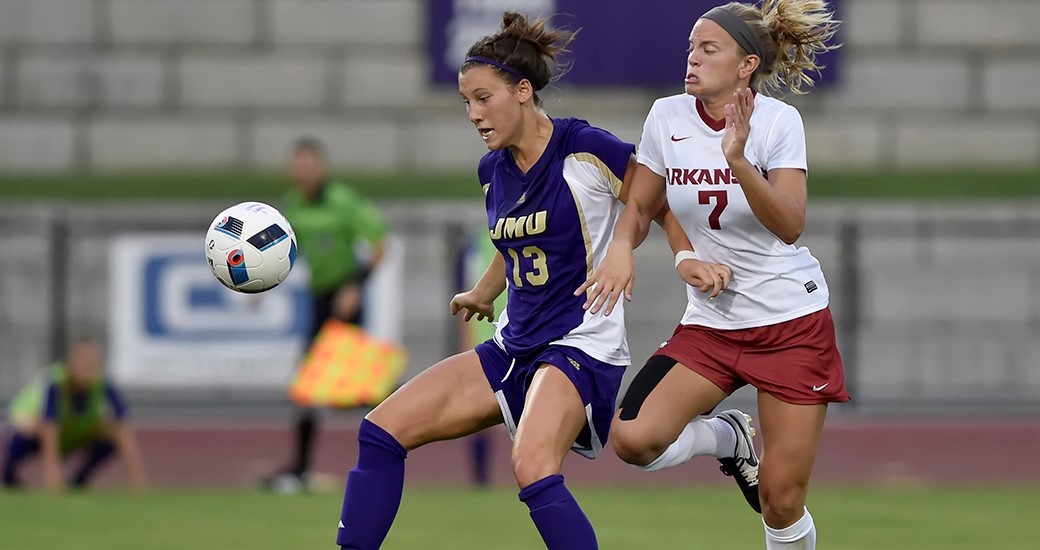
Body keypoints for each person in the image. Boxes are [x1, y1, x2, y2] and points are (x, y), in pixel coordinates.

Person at [334, 12, 729, 550]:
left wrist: (670, 256)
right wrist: (484, 290)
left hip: (580, 344)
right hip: (514, 346)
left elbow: (657, 202)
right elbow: (516, 243)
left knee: (532, 464)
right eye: (466, 102)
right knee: (380, 432)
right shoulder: (491, 170)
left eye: (483, 98)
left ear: (523, 91)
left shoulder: (584, 148)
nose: (473, 114)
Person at [576, 1, 846, 548]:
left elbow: (791, 225)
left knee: (781, 498)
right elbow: (641, 206)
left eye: (708, 48)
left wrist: (740, 161)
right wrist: (625, 248)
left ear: (746, 66)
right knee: (632, 438)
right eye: (691, 47)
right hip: (712, 325)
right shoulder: (666, 116)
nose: (692, 58)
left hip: (790, 324)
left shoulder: (777, 121)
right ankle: (729, 439)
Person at [262, 136, 390, 492]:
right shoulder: (293, 206)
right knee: (309, 387)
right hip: (320, 300)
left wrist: (356, 284)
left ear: (322, 167)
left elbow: (380, 243)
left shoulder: (343, 201)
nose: (304, 171)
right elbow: (283, 252)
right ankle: (301, 469)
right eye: (298, 165)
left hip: (345, 298)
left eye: (310, 164)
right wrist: (259, 282)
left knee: (359, 390)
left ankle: (386, 454)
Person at [2, 337, 147, 491]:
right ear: (72, 362)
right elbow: (49, 430)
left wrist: (138, 483)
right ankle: (8, 477)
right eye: (83, 360)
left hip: (71, 430)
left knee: (111, 432)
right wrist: (53, 483)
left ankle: (79, 480)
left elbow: (124, 426)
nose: (88, 365)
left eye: (92, 360)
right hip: (34, 428)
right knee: (26, 431)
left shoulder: (102, 383)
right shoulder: (56, 383)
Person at [453, 227, 507, 488]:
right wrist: (467, 343)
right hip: (486, 338)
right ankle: (480, 477)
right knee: (480, 410)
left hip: (524, 336)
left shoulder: (531, 231)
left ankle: (539, 473)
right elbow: (467, 295)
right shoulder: (476, 246)